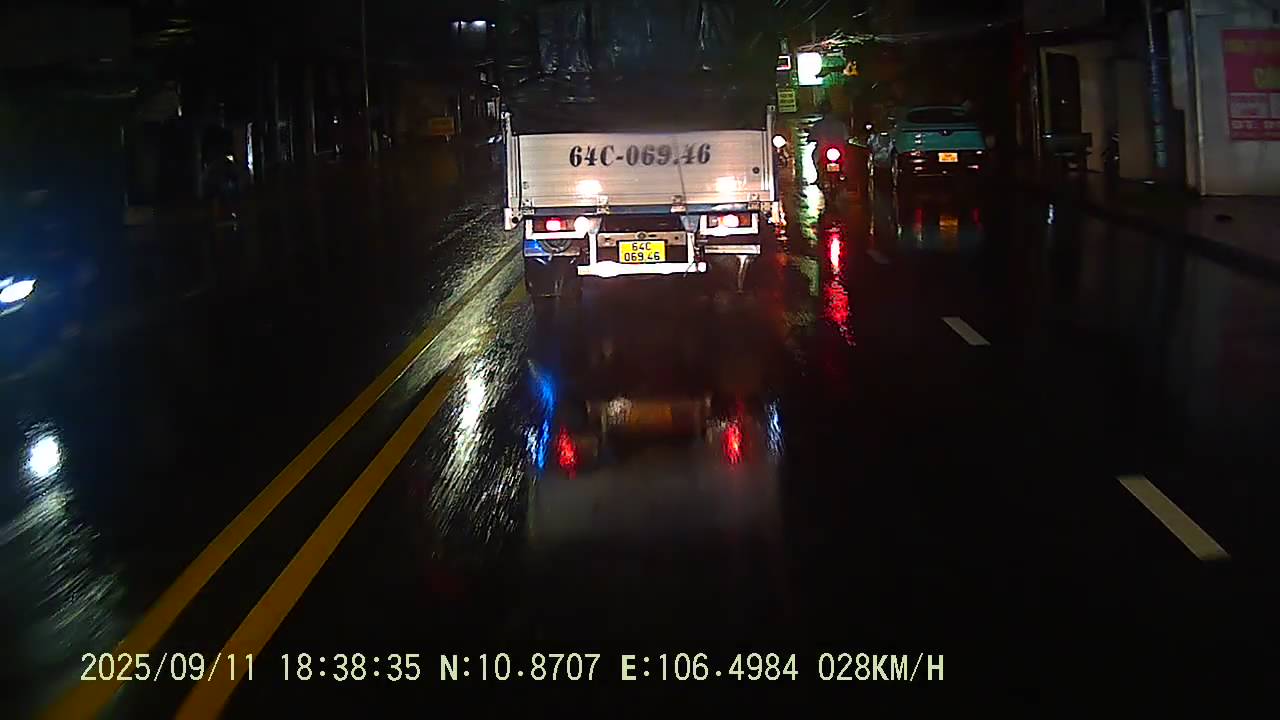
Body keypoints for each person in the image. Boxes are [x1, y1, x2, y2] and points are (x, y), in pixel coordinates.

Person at [808, 99, 850, 169]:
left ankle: (819, 172)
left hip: (824, 151)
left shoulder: (818, 125)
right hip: (838, 151)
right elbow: (846, 138)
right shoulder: (840, 124)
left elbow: (812, 137)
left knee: (815, 157)